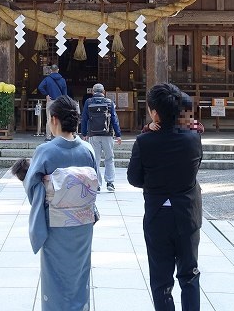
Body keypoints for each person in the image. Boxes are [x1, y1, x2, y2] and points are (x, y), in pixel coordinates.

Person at [127, 83, 203, 311]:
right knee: (189, 274)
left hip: (158, 214)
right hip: (188, 211)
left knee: (161, 280)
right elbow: (195, 166)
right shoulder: (193, 139)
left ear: (155, 113)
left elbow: (134, 178)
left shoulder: (144, 142)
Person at [24, 94, 97, 311]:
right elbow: (95, 185)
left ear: (54, 119)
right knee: (80, 273)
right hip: (83, 224)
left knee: (55, 276)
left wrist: (48, 188)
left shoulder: (45, 151)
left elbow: (32, 187)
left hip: (55, 225)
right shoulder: (88, 149)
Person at [81, 83, 122, 192]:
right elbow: (114, 119)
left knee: (96, 159)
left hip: (93, 135)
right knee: (109, 158)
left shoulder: (88, 102)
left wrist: (84, 133)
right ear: (103, 92)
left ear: (92, 92)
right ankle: (110, 182)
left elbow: (84, 118)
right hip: (108, 135)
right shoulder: (109, 103)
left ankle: (97, 184)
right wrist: (118, 134)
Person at [37, 64, 68, 141]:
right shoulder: (62, 80)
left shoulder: (47, 79)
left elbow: (40, 87)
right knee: (59, 119)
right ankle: (58, 136)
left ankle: (48, 137)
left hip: (50, 100)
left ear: (50, 70)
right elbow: (65, 92)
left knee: (49, 119)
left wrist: (46, 94)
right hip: (60, 101)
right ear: (58, 70)